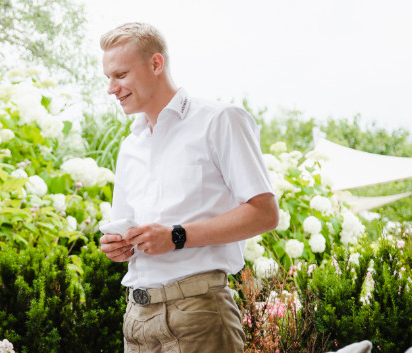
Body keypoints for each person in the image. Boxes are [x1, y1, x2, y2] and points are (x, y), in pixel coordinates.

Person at [98, 22, 279, 352]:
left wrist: (175, 236)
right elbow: (127, 227)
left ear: (156, 64)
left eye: (120, 75)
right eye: (108, 78)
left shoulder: (219, 120)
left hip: (199, 313)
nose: (112, 88)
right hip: (136, 319)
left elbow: (265, 213)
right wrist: (117, 245)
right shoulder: (130, 146)